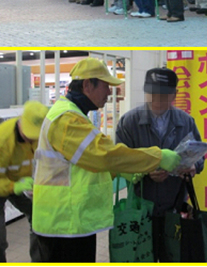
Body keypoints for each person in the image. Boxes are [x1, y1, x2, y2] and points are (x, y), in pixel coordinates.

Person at [32, 58, 181, 262]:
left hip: (70, 221)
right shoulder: (67, 120)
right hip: (63, 224)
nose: (110, 92)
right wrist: (159, 156)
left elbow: (88, 163)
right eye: (106, 86)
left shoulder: (73, 115)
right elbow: (105, 156)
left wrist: (129, 171)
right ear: (87, 85)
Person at [116, 68, 204, 262]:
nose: (157, 99)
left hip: (175, 208)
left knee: (173, 257)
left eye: (163, 94)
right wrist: (146, 171)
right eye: (152, 93)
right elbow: (120, 162)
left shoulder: (186, 122)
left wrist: (193, 166)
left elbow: (200, 158)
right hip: (141, 210)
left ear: (175, 94)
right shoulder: (129, 122)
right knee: (143, 258)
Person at [0, 101, 48, 262]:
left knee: (39, 219)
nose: (31, 139)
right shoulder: (0, 140)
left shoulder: (36, 135)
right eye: (29, 134)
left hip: (16, 180)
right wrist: (15, 186)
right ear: (21, 122)